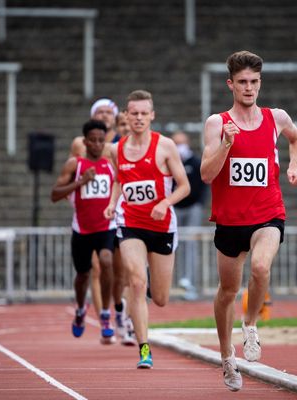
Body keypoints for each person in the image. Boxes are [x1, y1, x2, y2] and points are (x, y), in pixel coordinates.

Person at [200, 50, 297, 391]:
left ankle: (250, 326)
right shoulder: (217, 123)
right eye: (242, 82)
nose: (249, 88)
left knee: (260, 269)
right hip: (230, 221)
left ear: (260, 83)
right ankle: (227, 357)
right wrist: (226, 145)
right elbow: (206, 174)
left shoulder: (276, 118)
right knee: (227, 290)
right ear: (230, 84)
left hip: (267, 213)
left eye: (254, 82)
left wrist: (292, 166)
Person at [104, 90, 190, 369]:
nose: (139, 118)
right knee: (137, 283)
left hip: (162, 225)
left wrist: (165, 202)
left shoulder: (165, 146)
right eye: (134, 113)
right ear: (126, 116)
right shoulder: (117, 149)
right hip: (131, 223)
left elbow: (185, 186)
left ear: (152, 115)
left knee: (162, 298)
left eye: (144, 113)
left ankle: (148, 284)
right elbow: (120, 179)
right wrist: (112, 202)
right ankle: (144, 348)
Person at [68, 99, 135, 345]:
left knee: (122, 273)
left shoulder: (122, 142)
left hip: (118, 214)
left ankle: (121, 316)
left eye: (109, 112)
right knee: (96, 269)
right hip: (92, 217)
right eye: (100, 112)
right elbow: (73, 172)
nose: (105, 115)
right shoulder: (80, 143)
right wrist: (73, 198)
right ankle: (103, 320)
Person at [51, 119, 117, 344]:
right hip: (82, 229)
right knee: (83, 276)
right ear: (85, 141)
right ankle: (80, 309)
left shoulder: (111, 165)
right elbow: (54, 195)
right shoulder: (75, 165)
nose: (97, 144)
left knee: (107, 261)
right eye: (93, 140)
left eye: (101, 140)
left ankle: (105, 314)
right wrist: (80, 182)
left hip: (106, 226)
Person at [172, 130, 207, 300]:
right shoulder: (170, 163)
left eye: (181, 143)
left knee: (190, 245)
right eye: (176, 143)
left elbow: (203, 184)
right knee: (172, 243)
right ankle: (172, 281)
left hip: (192, 207)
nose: (179, 147)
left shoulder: (195, 162)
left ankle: (189, 282)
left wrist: (198, 204)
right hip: (175, 207)